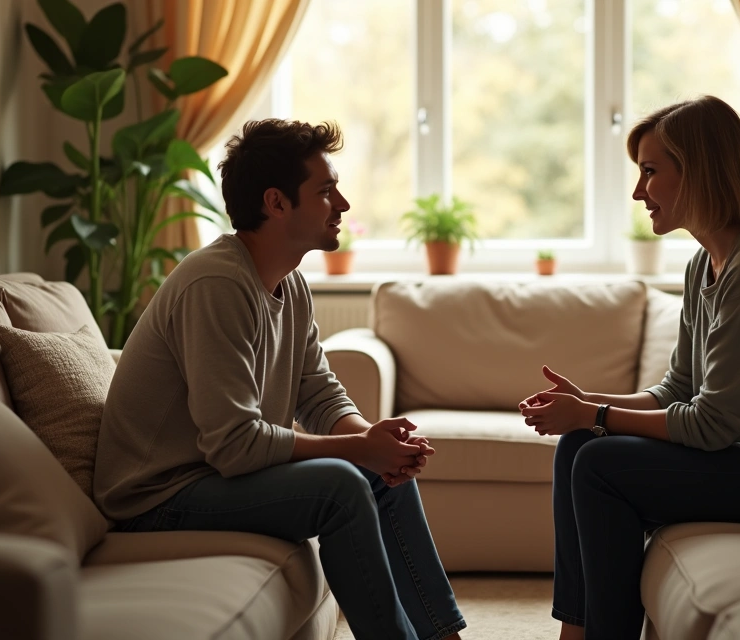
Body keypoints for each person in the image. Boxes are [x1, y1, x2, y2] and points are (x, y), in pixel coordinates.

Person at [95, 118, 465, 640]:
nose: (343, 204)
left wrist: (373, 440)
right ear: (276, 202)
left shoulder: (289, 281)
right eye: (325, 190)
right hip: (159, 499)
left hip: (213, 478)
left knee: (380, 474)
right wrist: (358, 450)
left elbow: (316, 390)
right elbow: (235, 445)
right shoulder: (216, 285)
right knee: (342, 484)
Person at [519, 96, 740, 640]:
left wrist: (596, 413)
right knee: (577, 448)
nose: (639, 192)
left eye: (650, 172)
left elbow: (712, 424)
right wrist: (589, 408)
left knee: (598, 464)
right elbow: (678, 389)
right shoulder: (704, 263)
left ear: (700, 171)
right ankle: (578, 632)